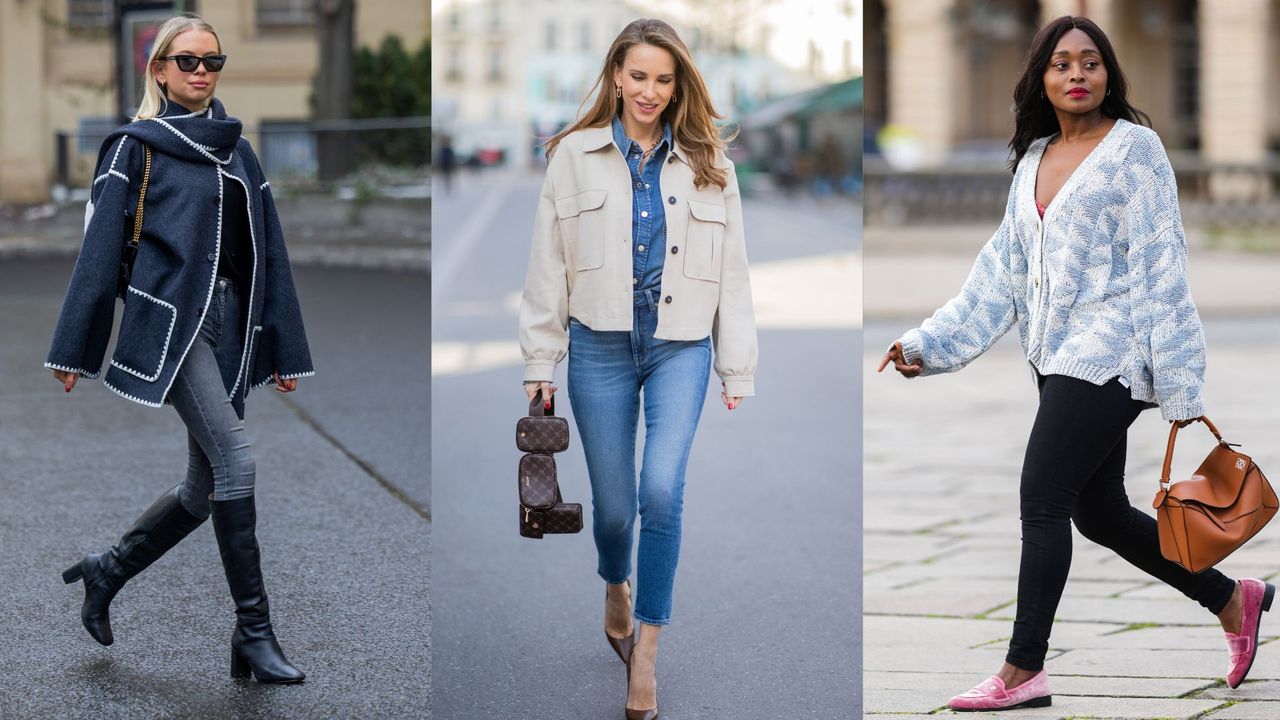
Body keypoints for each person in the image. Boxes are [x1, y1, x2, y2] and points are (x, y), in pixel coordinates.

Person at [878, 16, 1270, 711]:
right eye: (1062, 64)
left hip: (1112, 352)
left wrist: (1179, 381)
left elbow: (1163, 264)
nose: (1078, 74)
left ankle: (1023, 669)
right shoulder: (1032, 160)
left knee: (1042, 498)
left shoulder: (1137, 151)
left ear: (1109, 75)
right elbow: (1000, 272)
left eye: (1091, 62)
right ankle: (1231, 598)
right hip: (1055, 355)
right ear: (1043, 80)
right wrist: (926, 344)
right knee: (1100, 513)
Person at [47, 14, 313, 684]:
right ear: (159, 68)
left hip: (231, 320)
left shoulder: (238, 152)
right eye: (187, 61)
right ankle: (255, 631)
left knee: (204, 488)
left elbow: (269, 255)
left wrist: (283, 346)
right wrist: (74, 347)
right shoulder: (135, 148)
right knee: (237, 462)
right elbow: (100, 251)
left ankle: (108, 571)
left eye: (212, 61)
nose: (201, 72)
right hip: (175, 325)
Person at [518, 17, 757, 719]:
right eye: (639, 76)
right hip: (599, 346)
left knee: (662, 492)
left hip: (682, 344)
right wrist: (541, 357)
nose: (650, 91)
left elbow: (734, 274)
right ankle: (613, 583)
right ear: (616, 78)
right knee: (616, 510)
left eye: (664, 78)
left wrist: (735, 367)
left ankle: (646, 654)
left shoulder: (710, 159)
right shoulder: (573, 156)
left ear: (678, 83)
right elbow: (547, 263)